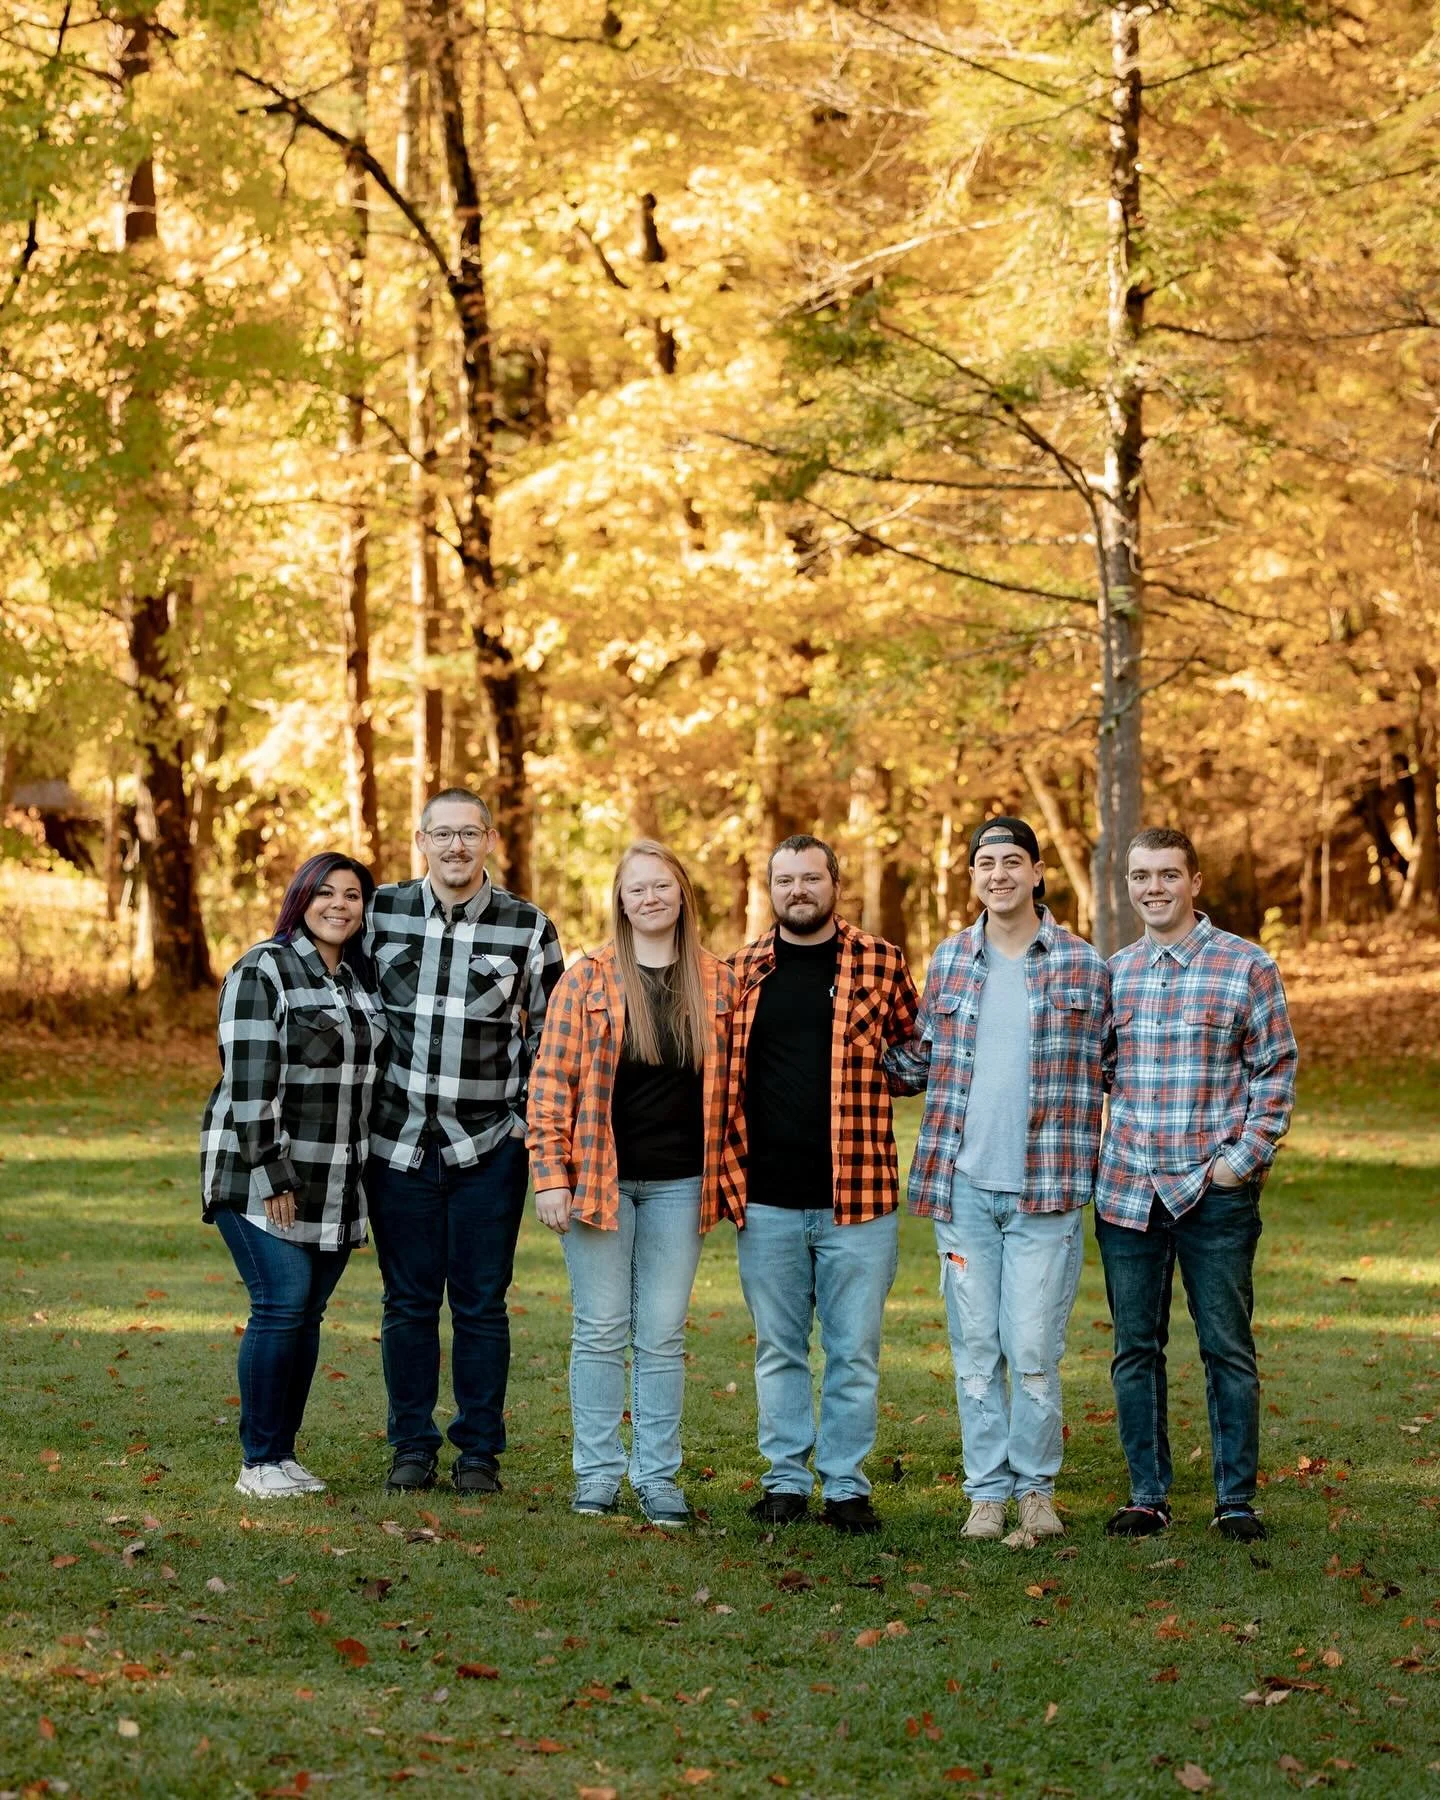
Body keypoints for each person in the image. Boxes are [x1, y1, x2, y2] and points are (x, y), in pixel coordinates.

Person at [886, 818, 1109, 1540]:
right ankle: (986, 1493)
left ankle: (1036, 1493)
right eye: (986, 863)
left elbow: (1118, 1068)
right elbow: (917, 1062)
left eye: (1013, 861)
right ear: (974, 877)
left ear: (1039, 873)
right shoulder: (950, 961)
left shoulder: (1083, 965)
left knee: (1035, 1350)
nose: (1000, 873)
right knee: (976, 1349)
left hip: (1046, 1191)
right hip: (963, 1193)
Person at [528, 842, 739, 1527]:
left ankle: (658, 1478)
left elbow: (738, 1093)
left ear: (682, 895)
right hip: (598, 1181)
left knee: (662, 1335)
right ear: (620, 902)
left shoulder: (718, 982)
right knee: (599, 1331)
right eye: (636, 889)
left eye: (661, 887)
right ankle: (596, 1476)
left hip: (682, 1184)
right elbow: (549, 1085)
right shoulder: (586, 979)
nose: (649, 899)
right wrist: (549, 1176)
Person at [1097, 827, 1298, 1542]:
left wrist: (1241, 1160)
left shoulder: (1246, 966)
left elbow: (1275, 1068)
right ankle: (1147, 1495)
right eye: (1141, 875)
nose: (1154, 887)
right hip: (1127, 1191)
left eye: (1168, 874)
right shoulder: (1114, 972)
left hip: (1214, 1193)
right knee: (1134, 1349)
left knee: (1226, 1348)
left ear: (1195, 881)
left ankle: (1234, 1500)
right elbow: (1104, 1068)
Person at [721, 835, 920, 1535]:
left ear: (835, 885)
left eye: (811, 878)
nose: (798, 890)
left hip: (858, 1200)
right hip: (766, 1198)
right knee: (778, 1348)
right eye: (785, 880)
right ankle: (783, 1482)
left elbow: (911, 1055)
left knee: (853, 1351)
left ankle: (844, 1486)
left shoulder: (881, 961)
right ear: (771, 889)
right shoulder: (739, 971)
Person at [366, 789, 563, 1495]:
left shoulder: (527, 927)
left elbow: (551, 1037)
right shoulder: (378, 912)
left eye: (468, 834)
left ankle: (478, 1451)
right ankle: (410, 1446)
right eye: (442, 835)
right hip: (397, 1146)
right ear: (420, 839)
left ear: (489, 839)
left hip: (488, 1149)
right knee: (408, 1302)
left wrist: (521, 1123)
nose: (455, 847)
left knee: (482, 1303)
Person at [200, 852, 385, 1500]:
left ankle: (282, 1454)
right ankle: (256, 1462)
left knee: (305, 1313)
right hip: (260, 1170)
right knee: (280, 1304)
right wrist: (274, 1173)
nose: (340, 904)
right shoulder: (264, 968)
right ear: (301, 898)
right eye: (326, 892)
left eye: (353, 895)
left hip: (334, 1175)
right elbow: (250, 1083)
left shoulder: (358, 982)